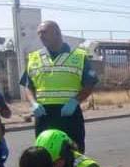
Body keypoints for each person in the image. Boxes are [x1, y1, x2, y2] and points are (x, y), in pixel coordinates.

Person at [21, 20, 98, 152]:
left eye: (44, 32)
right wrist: (33, 103)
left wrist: (75, 101)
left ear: (57, 33)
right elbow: (28, 85)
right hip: (43, 115)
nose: (40, 36)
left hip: (68, 114)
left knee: (73, 152)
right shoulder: (34, 57)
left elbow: (89, 83)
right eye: (39, 33)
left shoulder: (78, 56)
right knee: (44, 153)